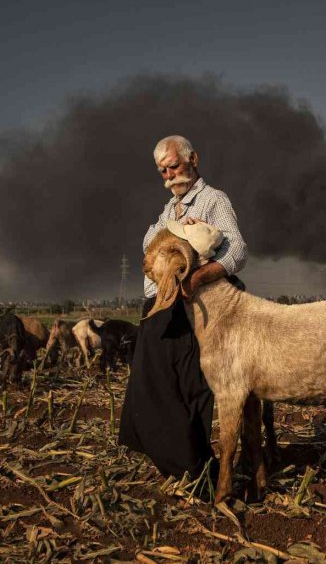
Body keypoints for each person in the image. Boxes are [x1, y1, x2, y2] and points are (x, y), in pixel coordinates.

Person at [118, 135, 247, 480]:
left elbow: (236, 252)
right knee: (154, 385)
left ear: (193, 160)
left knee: (189, 388)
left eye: (173, 165)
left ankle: (195, 469)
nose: (169, 175)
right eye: (162, 171)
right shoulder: (167, 211)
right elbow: (149, 246)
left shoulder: (212, 199)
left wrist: (195, 278)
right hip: (160, 306)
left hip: (189, 307)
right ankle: (184, 465)